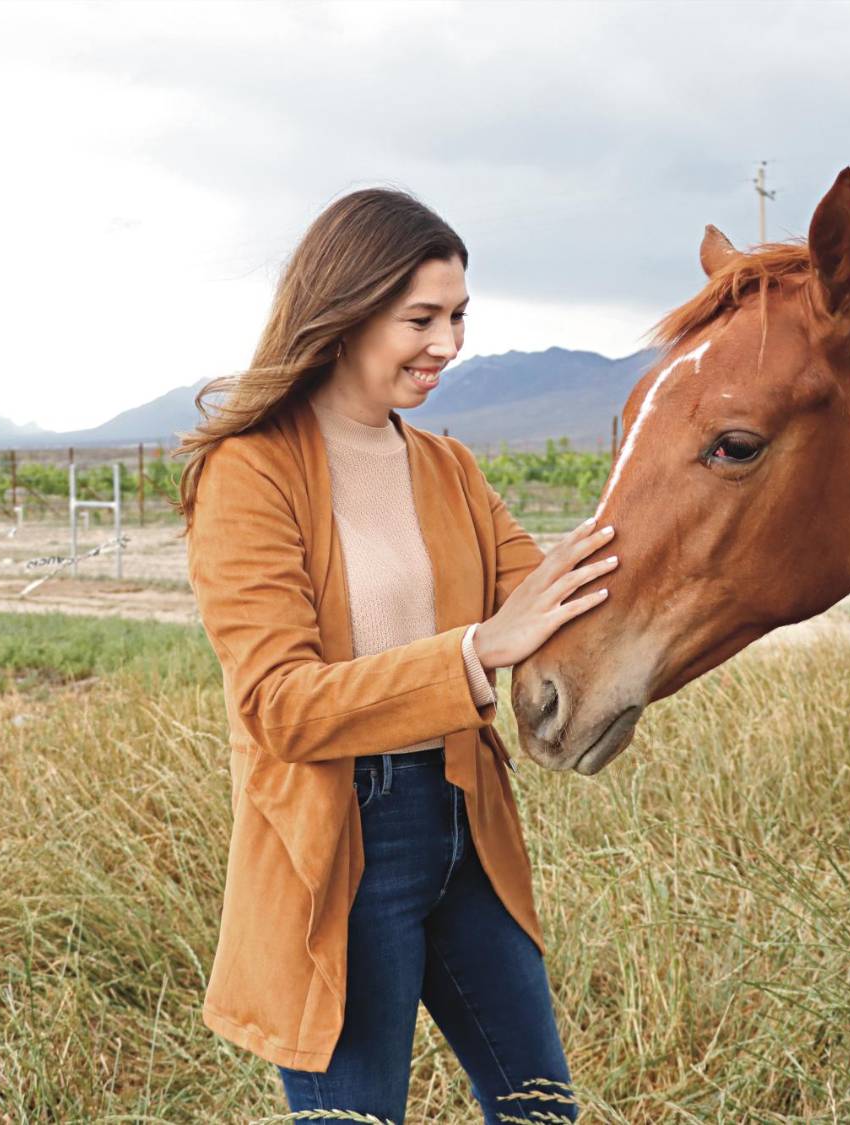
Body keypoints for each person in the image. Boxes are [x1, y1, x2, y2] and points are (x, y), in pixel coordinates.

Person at [174, 188, 614, 1123]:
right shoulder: (248, 472)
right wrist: (474, 652)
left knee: (542, 1112)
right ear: (343, 312)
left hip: (465, 816)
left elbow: (548, 602)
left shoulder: (448, 466)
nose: (448, 345)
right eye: (421, 318)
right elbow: (279, 706)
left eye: (458, 317)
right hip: (345, 840)